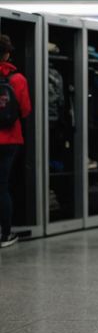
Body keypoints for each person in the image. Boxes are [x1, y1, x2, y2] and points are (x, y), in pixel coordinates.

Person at [0, 35, 30, 248]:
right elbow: (26, 110)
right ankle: (6, 235)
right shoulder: (18, 79)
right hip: (10, 139)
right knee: (3, 186)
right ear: (8, 53)